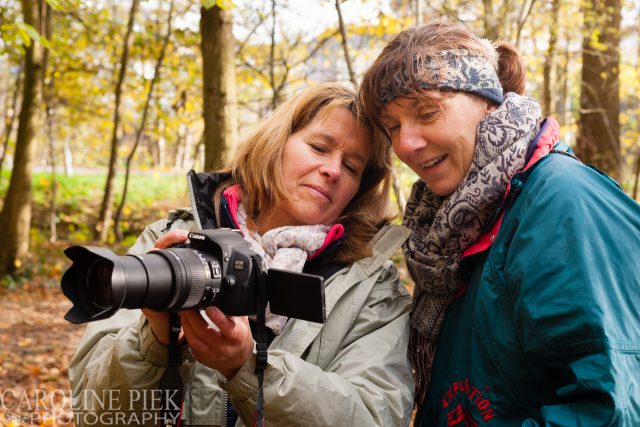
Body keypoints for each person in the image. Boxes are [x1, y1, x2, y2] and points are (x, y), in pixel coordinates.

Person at [68, 82, 415, 427]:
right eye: (319, 147)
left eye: (352, 167)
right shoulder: (169, 243)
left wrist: (247, 367)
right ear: (277, 143)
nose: (333, 170)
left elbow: (375, 416)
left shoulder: (370, 288)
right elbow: (93, 413)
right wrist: (154, 341)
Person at [359, 21, 640, 426]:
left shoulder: (559, 202)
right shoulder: (458, 223)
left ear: (488, 102)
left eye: (427, 112)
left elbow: (609, 407)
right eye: (393, 127)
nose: (406, 144)